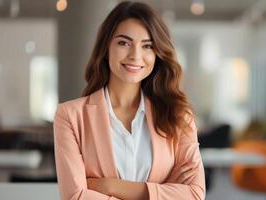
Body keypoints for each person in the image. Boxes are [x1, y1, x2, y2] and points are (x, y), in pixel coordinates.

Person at [53, 1, 205, 200]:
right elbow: (75, 197)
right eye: (124, 43)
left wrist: (110, 186)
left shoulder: (178, 116)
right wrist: (164, 192)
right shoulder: (70, 117)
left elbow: (194, 194)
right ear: (106, 48)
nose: (135, 55)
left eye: (147, 46)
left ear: (157, 53)